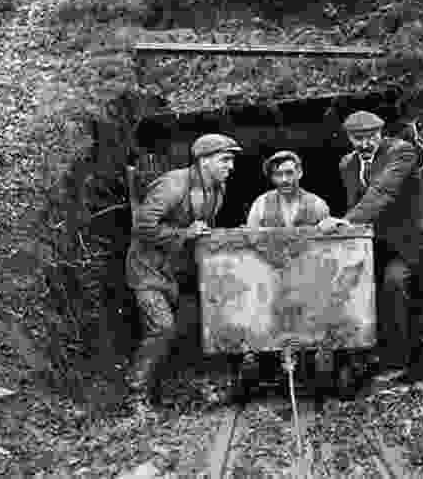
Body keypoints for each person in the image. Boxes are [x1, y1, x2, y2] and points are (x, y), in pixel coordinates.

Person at [318, 111, 423, 381]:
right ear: (348, 138)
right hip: (379, 239)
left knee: (394, 283)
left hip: (413, 238)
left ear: (381, 133)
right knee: (351, 283)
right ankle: (360, 354)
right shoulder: (347, 164)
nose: (364, 144)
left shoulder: (401, 152)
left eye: (370, 137)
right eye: (357, 138)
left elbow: (382, 192)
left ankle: (399, 362)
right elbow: (355, 202)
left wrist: (346, 221)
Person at [125, 133, 242, 412]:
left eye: (231, 161)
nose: (231, 167)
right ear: (203, 160)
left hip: (180, 271)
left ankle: (196, 387)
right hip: (148, 270)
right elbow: (142, 226)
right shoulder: (173, 186)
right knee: (162, 329)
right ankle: (136, 396)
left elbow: (202, 230)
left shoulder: (217, 190)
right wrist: (184, 233)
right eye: (224, 160)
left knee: (202, 324)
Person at [246, 150, 330, 228]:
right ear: (272, 177)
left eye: (289, 173)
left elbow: (328, 239)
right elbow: (250, 238)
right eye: (278, 174)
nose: (284, 179)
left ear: (299, 173)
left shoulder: (317, 204)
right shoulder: (261, 204)